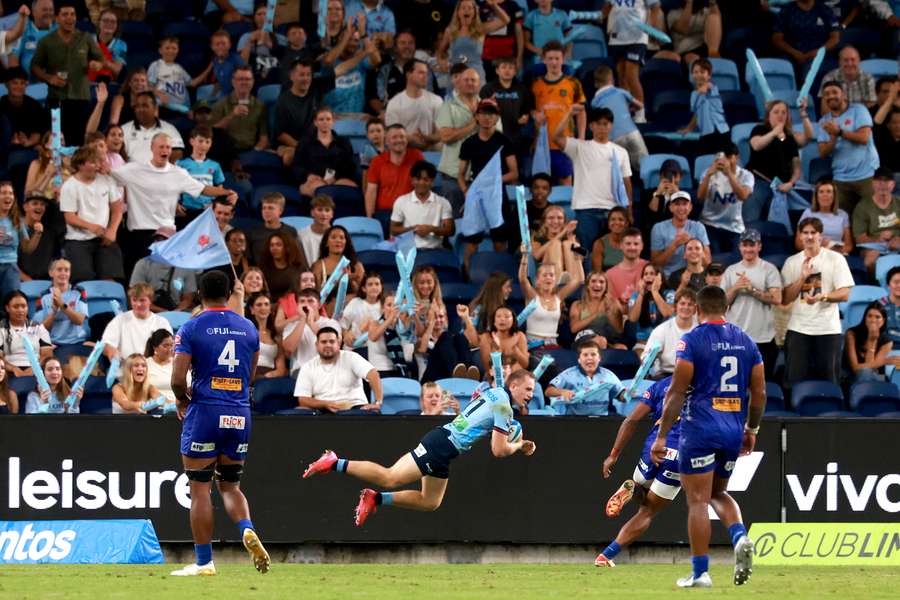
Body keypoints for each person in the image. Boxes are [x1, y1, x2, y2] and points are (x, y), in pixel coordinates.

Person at [301, 368, 537, 526]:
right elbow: (498, 450)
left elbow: (478, 399)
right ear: (513, 386)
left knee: (430, 502)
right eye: (527, 389)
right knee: (390, 476)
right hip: (442, 444)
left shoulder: (493, 392)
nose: (531, 395)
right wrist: (518, 445)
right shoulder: (505, 409)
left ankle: (375, 499)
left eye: (533, 391)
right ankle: (334, 462)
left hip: (444, 446)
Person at [651, 285, 764, 588]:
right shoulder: (747, 342)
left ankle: (700, 573)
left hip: (700, 428)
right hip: (732, 429)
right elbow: (760, 393)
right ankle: (739, 536)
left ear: (699, 310)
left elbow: (675, 393)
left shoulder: (691, 341)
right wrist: (751, 430)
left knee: (697, 500)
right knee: (717, 493)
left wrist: (661, 436)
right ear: (726, 307)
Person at [170, 270, 269, 576]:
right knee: (231, 486)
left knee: (200, 490)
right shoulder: (249, 329)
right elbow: (250, 376)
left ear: (200, 294)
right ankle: (246, 528)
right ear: (229, 294)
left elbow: (176, 379)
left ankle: (204, 563)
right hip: (239, 413)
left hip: (205, 412)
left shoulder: (191, 327)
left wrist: (182, 400)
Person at [111, 133, 237, 272]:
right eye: (161, 147)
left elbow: (203, 189)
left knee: (164, 279)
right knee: (138, 278)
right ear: (152, 147)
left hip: (167, 235)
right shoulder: (133, 169)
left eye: (168, 147)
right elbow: (110, 176)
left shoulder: (179, 173)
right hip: (139, 233)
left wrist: (226, 192)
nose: (164, 150)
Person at [594, 376, 679, 568]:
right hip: (681, 452)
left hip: (654, 446)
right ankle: (606, 555)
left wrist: (613, 455)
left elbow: (631, 420)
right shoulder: (707, 386)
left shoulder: (661, 385)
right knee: (648, 511)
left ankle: (634, 489)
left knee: (643, 492)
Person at [781, 217, 854, 387]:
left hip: (828, 329)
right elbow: (785, 298)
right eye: (805, 233)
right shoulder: (791, 262)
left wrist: (823, 297)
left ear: (820, 236)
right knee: (794, 382)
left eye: (813, 232)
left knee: (829, 383)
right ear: (799, 236)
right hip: (798, 328)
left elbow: (845, 294)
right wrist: (802, 278)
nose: (809, 236)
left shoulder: (836, 259)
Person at [30, 1, 110, 146]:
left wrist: (97, 64)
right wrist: (49, 78)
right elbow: (34, 66)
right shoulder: (46, 41)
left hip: (81, 99)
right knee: (56, 143)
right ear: (57, 18)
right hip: (56, 100)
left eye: (72, 14)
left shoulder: (85, 38)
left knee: (80, 143)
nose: (70, 18)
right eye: (65, 14)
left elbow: (101, 59)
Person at [458, 97, 519, 262]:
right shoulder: (468, 143)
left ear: (497, 118)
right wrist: (466, 193)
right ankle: (466, 277)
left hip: (497, 196)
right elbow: (460, 175)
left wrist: (491, 182)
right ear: (476, 116)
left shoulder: (504, 141)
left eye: (491, 114)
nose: (487, 117)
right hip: (475, 197)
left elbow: (514, 173)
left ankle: (500, 277)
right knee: (472, 242)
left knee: (499, 241)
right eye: (484, 113)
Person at [722, 229, 783, 378]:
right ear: (740, 247)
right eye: (745, 245)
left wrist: (753, 290)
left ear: (759, 246)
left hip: (764, 338)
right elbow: (721, 304)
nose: (748, 249)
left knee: (762, 384)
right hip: (736, 337)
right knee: (736, 383)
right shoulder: (731, 271)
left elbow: (777, 299)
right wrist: (736, 288)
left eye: (752, 245)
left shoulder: (769, 269)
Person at [59, 145, 125, 283]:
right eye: (94, 162)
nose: (98, 165)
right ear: (81, 164)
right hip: (78, 240)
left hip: (104, 238)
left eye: (99, 162)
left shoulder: (106, 180)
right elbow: (69, 217)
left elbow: (117, 208)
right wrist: (92, 227)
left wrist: (112, 230)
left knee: (110, 278)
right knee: (83, 280)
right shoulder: (69, 186)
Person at [817, 81, 879, 219]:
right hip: (841, 178)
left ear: (843, 94)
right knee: (843, 221)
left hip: (866, 175)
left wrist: (839, 132)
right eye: (826, 94)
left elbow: (864, 138)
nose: (831, 96)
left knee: (872, 217)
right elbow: (822, 153)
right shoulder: (824, 121)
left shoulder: (859, 110)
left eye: (834, 92)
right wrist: (833, 137)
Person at [746, 99, 813, 223]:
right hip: (758, 182)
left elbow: (797, 166)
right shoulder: (759, 129)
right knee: (750, 219)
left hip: (780, 186)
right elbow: (756, 145)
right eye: (776, 112)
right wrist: (774, 133)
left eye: (784, 112)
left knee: (778, 222)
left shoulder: (790, 138)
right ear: (769, 115)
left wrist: (791, 183)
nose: (780, 115)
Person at [293, 326, 383, 412]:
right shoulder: (307, 366)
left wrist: (377, 402)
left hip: (354, 408)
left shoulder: (351, 357)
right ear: (317, 345)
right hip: (323, 409)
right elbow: (303, 399)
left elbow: (373, 374)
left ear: (339, 343)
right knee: (298, 411)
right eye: (324, 342)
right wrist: (325, 404)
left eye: (332, 341)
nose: (328, 345)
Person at [535, 41, 587, 185]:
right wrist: (534, 114)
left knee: (566, 186)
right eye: (550, 58)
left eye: (557, 58)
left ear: (563, 59)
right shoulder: (536, 84)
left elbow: (581, 111)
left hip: (565, 144)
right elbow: (529, 109)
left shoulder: (573, 83)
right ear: (544, 60)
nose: (554, 62)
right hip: (542, 146)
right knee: (541, 187)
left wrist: (581, 137)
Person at [518, 242, 584, 348]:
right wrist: (525, 256)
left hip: (553, 346)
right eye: (544, 275)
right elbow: (522, 279)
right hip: (532, 346)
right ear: (537, 280)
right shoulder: (531, 296)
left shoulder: (558, 297)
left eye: (551, 275)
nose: (548, 278)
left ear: (555, 279)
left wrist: (577, 258)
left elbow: (579, 280)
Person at [604, 0, 661, 124]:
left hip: (637, 36)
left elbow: (656, 6)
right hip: (617, 36)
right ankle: (625, 112)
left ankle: (640, 113)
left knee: (631, 75)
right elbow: (608, 7)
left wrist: (651, 26)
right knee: (622, 75)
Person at [435, 66, 482, 212]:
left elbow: (496, 137)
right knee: (452, 224)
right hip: (452, 177)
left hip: (479, 177)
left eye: (473, 80)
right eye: (466, 80)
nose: (470, 83)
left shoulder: (487, 108)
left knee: (477, 229)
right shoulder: (448, 107)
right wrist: (475, 122)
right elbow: (446, 137)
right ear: (458, 83)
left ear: (479, 84)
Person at [274, 59, 333, 166]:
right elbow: (281, 135)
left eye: (308, 75)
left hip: (315, 142)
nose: (306, 79)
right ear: (292, 77)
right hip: (293, 145)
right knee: (290, 157)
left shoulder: (316, 92)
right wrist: (303, 147)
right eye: (302, 75)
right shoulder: (283, 101)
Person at [696, 144, 753, 254]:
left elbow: (743, 196)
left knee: (738, 258)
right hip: (709, 224)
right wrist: (708, 175)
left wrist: (729, 175)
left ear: (737, 157)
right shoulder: (708, 173)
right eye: (719, 157)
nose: (723, 161)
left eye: (728, 157)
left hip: (734, 226)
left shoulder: (746, 175)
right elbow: (700, 197)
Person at [545, 340, 627, 415]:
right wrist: (562, 392)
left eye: (593, 354)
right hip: (574, 421)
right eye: (585, 355)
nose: (589, 358)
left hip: (602, 421)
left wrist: (628, 394)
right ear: (579, 359)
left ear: (599, 358)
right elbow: (548, 391)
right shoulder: (568, 374)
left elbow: (621, 395)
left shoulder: (609, 375)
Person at [591, 65, 647, 173]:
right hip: (632, 132)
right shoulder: (621, 92)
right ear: (611, 80)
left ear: (596, 83)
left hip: (614, 137)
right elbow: (640, 105)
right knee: (645, 167)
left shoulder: (595, 102)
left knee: (619, 174)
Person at [292, 107, 359, 197]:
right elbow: (297, 166)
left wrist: (335, 177)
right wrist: (308, 175)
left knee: (353, 189)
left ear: (333, 121)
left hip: (338, 179)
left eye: (328, 119)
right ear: (315, 122)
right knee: (319, 189)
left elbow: (350, 165)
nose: (325, 122)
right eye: (321, 119)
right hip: (315, 180)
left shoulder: (343, 142)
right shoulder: (305, 142)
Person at [437, 0, 509, 84]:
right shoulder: (450, 31)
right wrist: (441, 61)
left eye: (470, 8)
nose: (466, 10)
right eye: (463, 8)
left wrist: (493, 5)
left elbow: (505, 20)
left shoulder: (481, 29)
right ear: (458, 12)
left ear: (475, 12)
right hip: (456, 77)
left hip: (476, 76)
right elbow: (440, 52)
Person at [130, 228, 199, 313]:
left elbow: (188, 298)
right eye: (157, 240)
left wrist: (176, 312)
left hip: (177, 311)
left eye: (165, 240)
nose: (160, 243)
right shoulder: (142, 264)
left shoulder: (186, 266)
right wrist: (165, 313)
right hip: (148, 311)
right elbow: (137, 295)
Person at [100, 283, 173, 362]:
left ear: (150, 301)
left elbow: (170, 349)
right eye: (134, 300)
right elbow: (106, 345)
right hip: (125, 370)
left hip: (153, 370)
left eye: (142, 300)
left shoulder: (162, 323)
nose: (138, 304)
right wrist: (112, 351)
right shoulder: (119, 320)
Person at [390, 161, 455, 249]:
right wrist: (413, 229)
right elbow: (393, 230)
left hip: (434, 251)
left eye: (426, 179)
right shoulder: (401, 201)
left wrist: (431, 229)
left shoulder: (443, 202)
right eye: (418, 179)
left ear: (432, 182)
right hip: (408, 251)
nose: (421, 183)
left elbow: (450, 230)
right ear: (412, 180)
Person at [365, 124, 425, 219]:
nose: (399, 140)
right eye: (394, 137)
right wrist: (370, 219)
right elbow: (371, 192)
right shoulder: (377, 161)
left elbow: (424, 185)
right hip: (385, 213)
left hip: (411, 211)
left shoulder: (417, 156)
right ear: (387, 142)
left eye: (402, 137)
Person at [384, 60, 443, 150]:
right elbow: (392, 135)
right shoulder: (394, 103)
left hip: (430, 154)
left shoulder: (436, 100)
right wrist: (411, 139)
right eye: (421, 73)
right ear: (408, 75)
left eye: (426, 73)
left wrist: (425, 137)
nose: (425, 77)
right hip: (403, 153)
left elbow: (441, 133)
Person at [650, 191, 710, 279]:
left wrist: (691, 242)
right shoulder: (658, 228)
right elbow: (655, 263)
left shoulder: (699, 227)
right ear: (671, 208)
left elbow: (707, 262)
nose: (681, 208)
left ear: (690, 207)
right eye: (677, 204)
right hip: (668, 278)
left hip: (694, 277)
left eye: (685, 204)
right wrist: (675, 245)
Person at [282, 288, 342, 375]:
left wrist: (311, 323)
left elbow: (334, 343)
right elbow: (289, 348)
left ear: (319, 305)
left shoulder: (331, 323)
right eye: (302, 301)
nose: (306, 305)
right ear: (298, 305)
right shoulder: (291, 326)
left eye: (310, 301)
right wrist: (303, 320)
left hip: (328, 369)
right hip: (302, 371)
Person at [210, 66, 269, 154]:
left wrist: (254, 152)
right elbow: (212, 132)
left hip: (250, 150)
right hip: (226, 151)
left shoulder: (260, 106)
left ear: (253, 82)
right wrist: (232, 115)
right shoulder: (220, 104)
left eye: (247, 79)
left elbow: (264, 138)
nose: (244, 82)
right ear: (233, 82)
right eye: (240, 79)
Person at [0, 180, 43, 299]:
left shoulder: (17, 220)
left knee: (12, 302)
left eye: (11, 193)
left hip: (11, 269)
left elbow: (27, 248)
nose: (8, 196)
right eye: (3, 193)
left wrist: (37, 234)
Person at [176, 127, 227, 225]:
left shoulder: (215, 165)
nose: (203, 145)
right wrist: (176, 204)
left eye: (207, 142)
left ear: (211, 143)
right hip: (186, 210)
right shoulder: (181, 164)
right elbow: (174, 186)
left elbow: (219, 188)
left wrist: (214, 204)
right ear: (192, 141)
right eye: (200, 141)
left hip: (207, 210)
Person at [852, 167, 900, 271]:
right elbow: (859, 238)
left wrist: (898, 240)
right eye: (879, 181)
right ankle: (876, 286)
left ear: (893, 184)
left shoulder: (898, 203)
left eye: (886, 181)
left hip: (898, 244)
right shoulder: (862, 207)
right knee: (870, 258)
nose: (882, 185)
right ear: (873, 184)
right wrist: (878, 239)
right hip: (874, 247)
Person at [680, 58, 730, 155]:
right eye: (695, 72)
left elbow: (705, 89)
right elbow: (697, 114)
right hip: (707, 133)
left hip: (720, 132)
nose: (698, 75)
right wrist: (689, 128)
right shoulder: (694, 94)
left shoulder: (712, 87)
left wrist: (698, 92)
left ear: (709, 75)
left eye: (702, 72)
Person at [34, 258, 88, 347]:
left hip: (77, 342)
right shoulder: (43, 296)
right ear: (51, 273)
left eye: (66, 270)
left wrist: (62, 304)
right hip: (54, 344)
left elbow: (79, 321)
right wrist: (54, 312)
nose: (63, 273)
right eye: (59, 270)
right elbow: (41, 329)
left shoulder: (79, 291)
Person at [647, 288, 698, 379]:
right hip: (666, 375)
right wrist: (652, 356)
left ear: (695, 308)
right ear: (675, 307)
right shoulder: (661, 330)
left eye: (690, 304)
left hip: (694, 376)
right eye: (682, 303)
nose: (686, 307)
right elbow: (646, 359)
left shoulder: (701, 330)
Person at [772, 0, 839, 69]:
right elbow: (777, 39)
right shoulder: (786, 10)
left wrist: (818, 52)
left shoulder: (825, 10)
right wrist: (795, 53)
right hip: (791, 55)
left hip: (818, 56)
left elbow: (835, 38)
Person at [0, 290, 52, 377]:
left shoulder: (38, 327)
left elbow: (47, 354)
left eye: (23, 306)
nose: (20, 310)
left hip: (36, 371)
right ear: (7, 308)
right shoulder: (1, 328)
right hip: (8, 371)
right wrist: (14, 369)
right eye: (16, 307)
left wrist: (35, 368)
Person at [794, 179, 853, 254]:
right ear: (816, 195)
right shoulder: (808, 213)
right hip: (814, 252)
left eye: (829, 191)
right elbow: (798, 244)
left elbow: (849, 245)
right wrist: (819, 249)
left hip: (836, 254)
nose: (825, 195)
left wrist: (834, 252)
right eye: (821, 192)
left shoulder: (843, 215)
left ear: (834, 195)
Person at [148, 36, 202, 113]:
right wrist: (159, 94)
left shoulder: (179, 68)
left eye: (174, 48)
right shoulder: (156, 65)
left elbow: (193, 83)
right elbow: (148, 86)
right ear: (160, 50)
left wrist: (211, 66)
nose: (170, 51)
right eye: (167, 48)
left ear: (178, 50)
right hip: (165, 106)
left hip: (183, 108)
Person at [628, 263, 674, 350]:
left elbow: (668, 313)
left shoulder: (669, 293)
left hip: (665, 344)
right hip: (643, 344)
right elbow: (632, 318)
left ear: (660, 278)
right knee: (645, 361)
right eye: (645, 274)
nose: (648, 276)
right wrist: (641, 294)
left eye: (652, 274)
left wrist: (655, 291)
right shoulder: (636, 296)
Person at [1, 66, 48, 151]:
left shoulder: (34, 106)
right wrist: (10, 141)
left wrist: (28, 142)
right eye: (14, 83)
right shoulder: (1, 105)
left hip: (30, 146)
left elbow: (37, 133)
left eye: (22, 83)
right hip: (6, 147)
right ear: (6, 84)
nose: (19, 86)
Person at [845, 301, 893, 383]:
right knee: (864, 373)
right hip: (851, 376)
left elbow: (870, 370)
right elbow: (855, 369)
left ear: (883, 320)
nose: (873, 320)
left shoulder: (887, 342)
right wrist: (872, 340)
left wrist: (872, 341)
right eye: (869, 316)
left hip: (877, 376)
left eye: (877, 317)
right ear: (865, 318)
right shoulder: (851, 334)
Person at [311, 225, 366, 296]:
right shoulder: (318, 266)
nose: (338, 240)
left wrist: (351, 282)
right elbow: (316, 295)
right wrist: (341, 280)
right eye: (333, 237)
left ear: (346, 242)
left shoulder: (357, 265)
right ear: (326, 243)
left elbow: (364, 294)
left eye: (342, 238)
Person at [818, 45, 876, 109]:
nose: (849, 64)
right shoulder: (829, 78)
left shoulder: (868, 78)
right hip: (836, 117)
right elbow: (825, 108)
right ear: (839, 62)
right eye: (845, 60)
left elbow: (872, 106)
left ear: (859, 61)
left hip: (861, 117)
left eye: (853, 60)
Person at [246, 292, 287, 380]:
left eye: (266, 304)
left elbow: (281, 367)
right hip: (250, 375)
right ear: (252, 309)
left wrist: (272, 374)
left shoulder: (276, 336)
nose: (263, 308)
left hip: (271, 377)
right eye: (259, 305)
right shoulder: (246, 333)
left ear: (270, 309)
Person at [258, 232, 308, 302]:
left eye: (278, 245)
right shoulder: (264, 268)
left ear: (287, 247)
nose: (274, 248)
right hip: (270, 306)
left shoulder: (299, 268)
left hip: (294, 305)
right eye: (271, 245)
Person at [478, 305, 529, 374]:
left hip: (515, 376)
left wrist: (516, 351)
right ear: (494, 321)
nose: (502, 319)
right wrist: (498, 347)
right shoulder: (486, 337)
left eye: (507, 317)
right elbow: (487, 366)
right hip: (494, 376)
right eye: (498, 316)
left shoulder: (520, 336)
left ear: (513, 320)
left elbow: (525, 364)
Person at [607, 227, 649, 304]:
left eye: (636, 244)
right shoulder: (610, 274)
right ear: (621, 245)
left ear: (642, 246)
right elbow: (613, 307)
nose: (632, 247)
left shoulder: (650, 268)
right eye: (628, 244)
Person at [145, 329, 179, 409]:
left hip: (180, 409)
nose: (170, 349)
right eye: (165, 345)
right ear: (155, 348)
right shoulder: (145, 364)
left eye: (172, 345)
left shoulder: (179, 363)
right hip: (157, 411)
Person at [298, 194, 334, 265]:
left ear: (332, 214)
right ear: (312, 213)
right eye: (320, 210)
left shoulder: (340, 235)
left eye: (327, 210)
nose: (324, 214)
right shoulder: (301, 234)